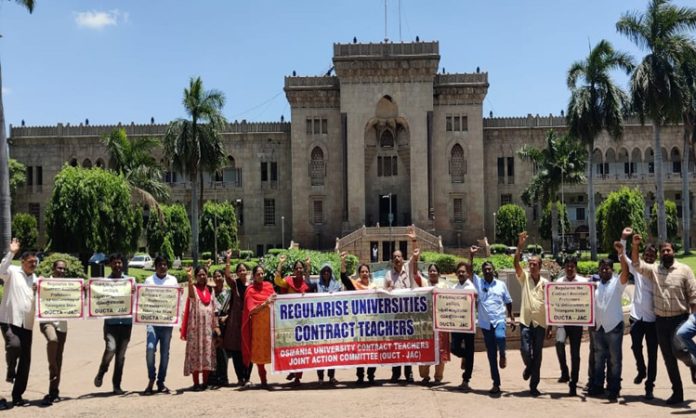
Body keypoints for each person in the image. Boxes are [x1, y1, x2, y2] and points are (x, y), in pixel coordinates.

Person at [632, 233, 696, 405]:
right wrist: (636, 245)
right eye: (663, 251)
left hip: (680, 319)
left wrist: (693, 320)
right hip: (660, 321)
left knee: (679, 350)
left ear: (673, 251)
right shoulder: (654, 270)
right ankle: (678, 393)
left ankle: (693, 363)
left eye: (668, 250)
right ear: (660, 255)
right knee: (668, 358)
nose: (666, 253)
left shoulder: (684, 270)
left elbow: (693, 296)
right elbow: (637, 264)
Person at [469, 247, 515, 395]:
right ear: (483, 272)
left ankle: (503, 353)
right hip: (485, 323)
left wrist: (512, 317)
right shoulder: (479, 283)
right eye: (485, 270)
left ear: (493, 270)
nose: (487, 271)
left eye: (489, 269)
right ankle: (496, 383)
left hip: (499, 319)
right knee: (490, 356)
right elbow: (469, 273)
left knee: (500, 337)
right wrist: (471, 256)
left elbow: (508, 301)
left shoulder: (501, 285)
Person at [586, 246, 629, 402]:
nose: (604, 271)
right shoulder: (594, 286)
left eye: (608, 268)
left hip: (614, 327)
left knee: (614, 360)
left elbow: (625, 271)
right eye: (602, 268)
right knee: (598, 359)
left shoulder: (618, 284)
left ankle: (614, 388)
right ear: (599, 270)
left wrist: (621, 253)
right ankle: (598, 386)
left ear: (612, 270)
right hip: (598, 328)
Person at [620, 227, 657, 400]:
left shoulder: (657, 272)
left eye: (652, 255)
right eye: (647, 254)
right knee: (635, 346)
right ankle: (641, 369)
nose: (649, 257)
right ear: (643, 255)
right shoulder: (638, 268)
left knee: (653, 354)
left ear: (655, 258)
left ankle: (649, 386)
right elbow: (625, 258)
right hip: (636, 316)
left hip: (652, 319)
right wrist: (624, 239)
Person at [0, 238, 37, 408]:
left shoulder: (36, 279)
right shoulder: (13, 272)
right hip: (9, 319)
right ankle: (10, 369)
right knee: (14, 345)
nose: (33, 265)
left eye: (35, 262)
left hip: (27, 324)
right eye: (30, 262)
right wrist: (11, 252)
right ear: (22, 262)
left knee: (26, 361)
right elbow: (1, 270)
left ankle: (17, 396)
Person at [514, 231, 548, 397]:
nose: (531, 266)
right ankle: (529, 367)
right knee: (525, 350)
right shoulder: (525, 278)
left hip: (540, 323)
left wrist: (550, 325)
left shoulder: (546, 284)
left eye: (535, 264)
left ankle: (534, 385)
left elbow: (550, 304)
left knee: (538, 354)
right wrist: (520, 246)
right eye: (530, 263)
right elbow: (516, 265)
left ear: (540, 267)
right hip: (526, 322)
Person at [94, 253, 134, 395]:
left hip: (126, 323)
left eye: (119, 263)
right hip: (111, 323)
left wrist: (135, 292)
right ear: (110, 265)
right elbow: (97, 299)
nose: (117, 266)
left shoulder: (130, 281)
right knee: (111, 348)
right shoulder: (104, 283)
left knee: (121, 356)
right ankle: (102, 370)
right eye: (114, 263)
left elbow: (138, 298)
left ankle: (117, 385)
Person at [384, 226, 420, 384]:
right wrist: (388, 289)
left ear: (403, 258)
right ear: (392, 260)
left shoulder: (409, 269)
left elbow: (415, 257)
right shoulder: (388, 274)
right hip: (395, 316)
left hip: (408, 314)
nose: (397, 259)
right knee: (395, 345)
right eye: (394, 257)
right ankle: (395, 373)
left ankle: (409, 372)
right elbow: (383, 294)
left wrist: (413, 240)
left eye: (399, 256)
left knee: (408, 344)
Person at [550, 256, 587, 396]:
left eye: (572, 266)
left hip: (576, 323)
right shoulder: (558, 282)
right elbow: (553, 303)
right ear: (564, 268)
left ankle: (574, 381)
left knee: (575, 353)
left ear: (575, 267)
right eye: (567, 266)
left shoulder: (584, 282)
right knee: (559, 345)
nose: (570, 269)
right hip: (562, 323)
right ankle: (564, 371)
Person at [274, 255, 312, 385]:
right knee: (290, 349)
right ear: (294, 270)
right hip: (289, 322)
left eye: (301, 268)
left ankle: (297, 377)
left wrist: (308, 266)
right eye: (297, 268)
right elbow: (277, 280)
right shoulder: (288, 281)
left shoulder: (306, 284)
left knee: (300, 350)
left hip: (302, 322)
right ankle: (292, 370)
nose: (299, 270)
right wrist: (280, 263)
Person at [143, 256, 178, 395]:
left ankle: (161, 381)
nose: (163, 267)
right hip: (152, 322)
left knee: (165, 354)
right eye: (160, 265)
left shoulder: (173, 280)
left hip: (167, 323)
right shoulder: (149, 280)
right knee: (150, 349)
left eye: (165, 264)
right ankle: (151, 378)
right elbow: (143, 298)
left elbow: (176, 299)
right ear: (155, 266)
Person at [180, 265, 219, 391]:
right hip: (196, 328)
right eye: (200, 275)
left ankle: (205, 382)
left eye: (204, 274)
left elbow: (214, 309)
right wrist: (189, 278)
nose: (202, 277)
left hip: (208, 327)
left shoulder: (210, 290)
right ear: (196, 277)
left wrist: (216, 326)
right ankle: (196, 383)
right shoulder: (194, 289)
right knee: (195, 354)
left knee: (207, 353)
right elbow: (191, 295)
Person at [340, 255, 377, 384]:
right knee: (360, 351)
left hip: (372, 325)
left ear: (369, 273)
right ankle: (360, 376)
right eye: (362, 272)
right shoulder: (355, 286)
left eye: (366, 271)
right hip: (359, 325)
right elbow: (344, 279)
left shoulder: (375, 287)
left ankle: (371, 375)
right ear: (359, 274)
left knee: (372, 350)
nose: (365, 273)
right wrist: (343, 262)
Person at [216, 253, 251, 387]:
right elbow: (227, 276)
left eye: (244, 270)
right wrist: (228, 260)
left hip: (248, 321)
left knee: (248, 348)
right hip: (236, 322)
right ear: (237, 273)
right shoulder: (235, 285)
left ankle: (247, 376)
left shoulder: (251, 286)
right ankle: (240, 378)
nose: (242, 272)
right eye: (240, 270)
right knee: (237, 350)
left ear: (247, 272)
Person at [38, 259, 69, 405]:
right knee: (52, 340)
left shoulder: (69, 285)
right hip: (47, 321)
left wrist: (84, 290)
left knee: (59, 358)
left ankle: (53, 391)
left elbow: (79, 300)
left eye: (64, 269)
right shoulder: (43, 282)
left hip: (62, 324)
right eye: (59, 268)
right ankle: (53, 367)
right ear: (53, 268)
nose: (61, 271)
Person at [242, 265, 276, 388]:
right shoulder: (250, 290)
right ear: (254, 276)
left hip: (271, 324)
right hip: (258, 326)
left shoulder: (269, 286)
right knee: (259, 352)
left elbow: (276, 300)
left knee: (274, 349)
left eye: (262, 273)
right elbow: (250, 311)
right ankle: (263, 379)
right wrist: (265, 303)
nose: (261, 276)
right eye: (258, 274)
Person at [417, 264, 451, 386]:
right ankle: (424, 375)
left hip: (441, 323)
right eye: (430, 271)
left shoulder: (445, 286)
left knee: (441, 350)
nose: (432, 272)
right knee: (426, 348)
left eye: (434, 270)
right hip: (426, 323)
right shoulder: (423, 286)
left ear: (438, 273)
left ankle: (438, 376)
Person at [308, 262, 342, 384]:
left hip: (332, 324)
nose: (326, 273)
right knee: (320, 351)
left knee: (332, 351)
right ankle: (320, 377)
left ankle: (331, 376)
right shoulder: (317, 284)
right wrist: (308, 267)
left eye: (328, 271)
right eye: (324, 271)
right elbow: (306, 283)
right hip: (319, 324)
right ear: (321, 273)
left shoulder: (336, 285)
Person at [450, 260, 477, 392]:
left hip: (468, 325)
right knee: (454, 348)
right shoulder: (454, 288)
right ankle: (464, 356)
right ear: (456, 274)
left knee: (470, 351)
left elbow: (475, 299)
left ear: (467, 274)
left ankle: (466, 379)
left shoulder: (471, 287)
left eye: (463, 272)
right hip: (456, 324)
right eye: (459, 272)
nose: (461, 273)